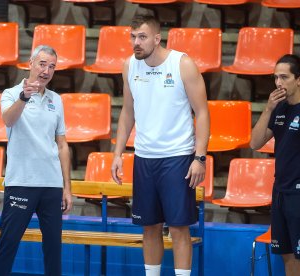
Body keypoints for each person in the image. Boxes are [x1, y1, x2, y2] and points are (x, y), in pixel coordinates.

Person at [111, 14, 210, 276]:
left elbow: (202, 112)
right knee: (150, 227)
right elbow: (127, 112)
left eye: (142, 37)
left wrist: (199, 158)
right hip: (144, 158)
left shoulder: (182, 64)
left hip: (177, 157)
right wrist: (118, 153)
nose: (136, 42)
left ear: (157, 38)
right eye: (132, 37)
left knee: (179, 228)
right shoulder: (129, 66)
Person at [0, 45, 73, 276]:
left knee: (53, 249)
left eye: (52, 66)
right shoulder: (10, 94)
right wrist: (23, 97)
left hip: (51, 185)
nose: (47, 70)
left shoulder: (56, 100)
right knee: (8, 245)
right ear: (30, 64)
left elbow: (62, 145)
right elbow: (8, 120)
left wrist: (67, 187)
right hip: (21, 182)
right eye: (42, 64)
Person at [250, 54, 300, 275]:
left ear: (299, 79)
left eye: (284, 77)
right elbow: (255, 142)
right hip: (280, 191)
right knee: (287, 255)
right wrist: (267, 109)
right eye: (275, 77)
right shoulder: (278, 109)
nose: (278, 83)